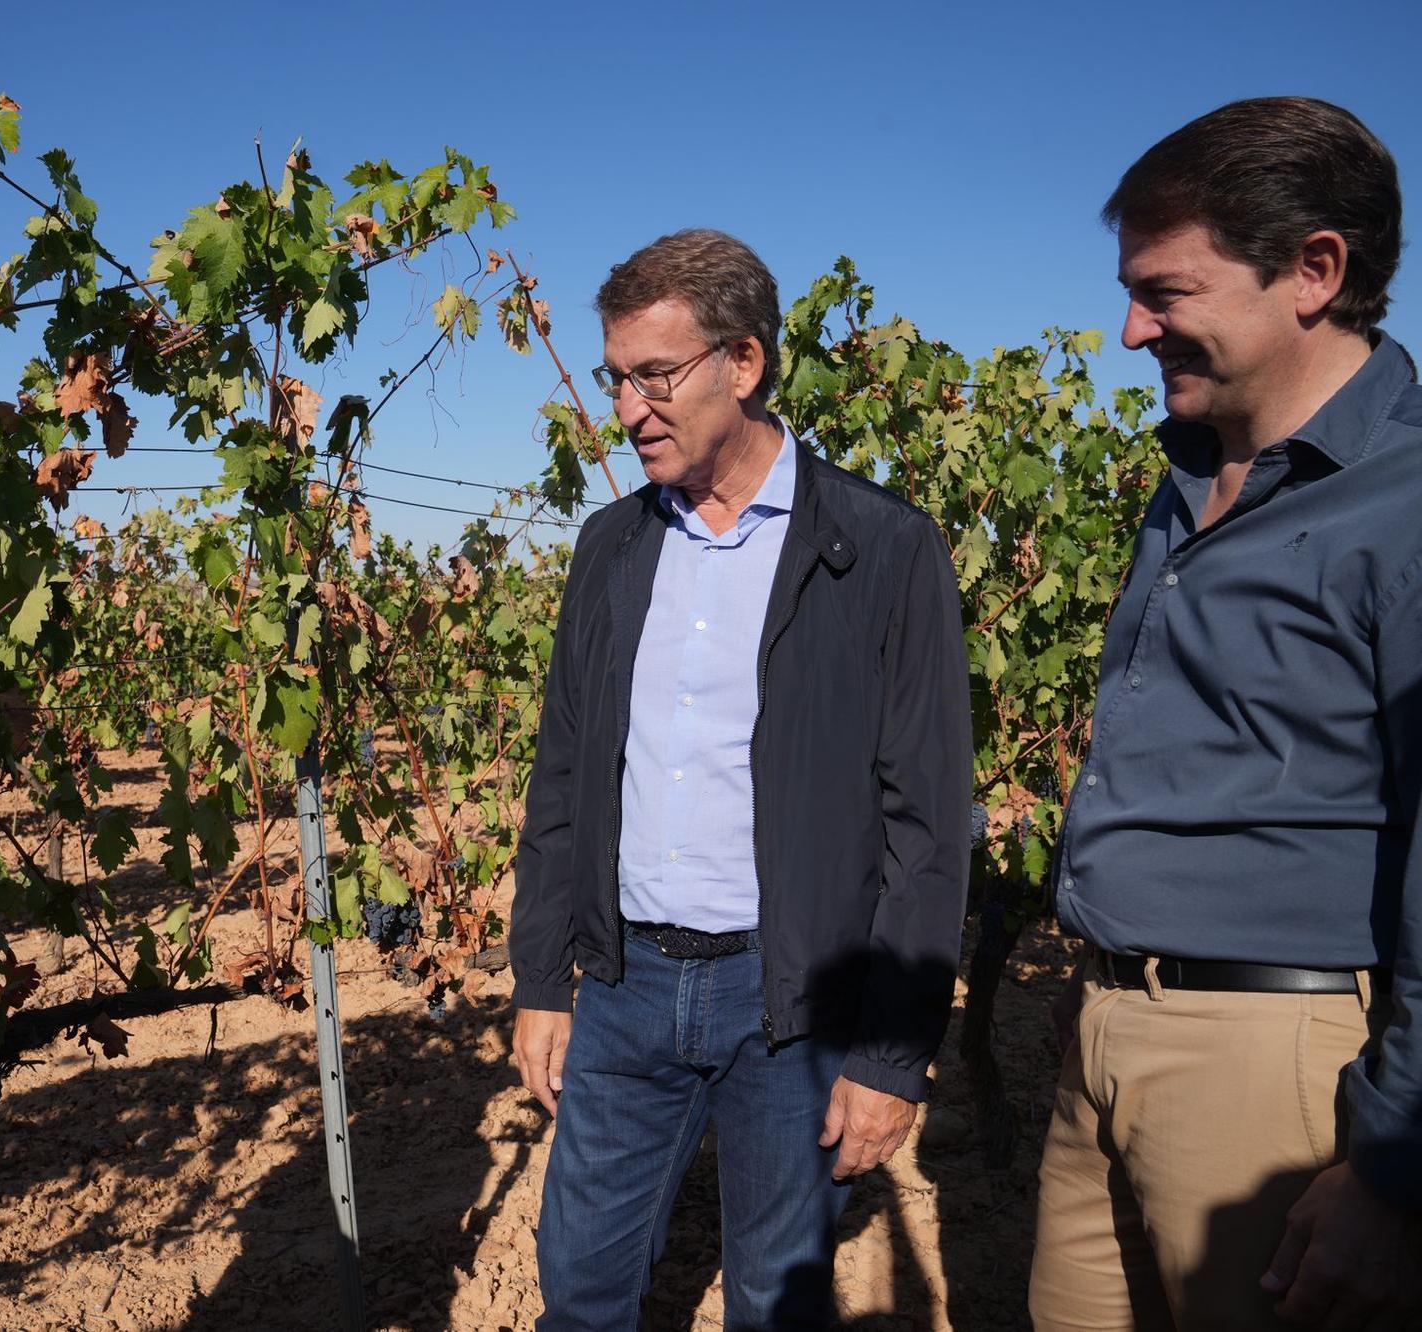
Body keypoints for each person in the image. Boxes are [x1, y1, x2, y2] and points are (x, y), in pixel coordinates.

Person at [507, 228, 972, 1329]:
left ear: (744, 364)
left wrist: (891, 1056)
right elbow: (563, 772)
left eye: (654, 376)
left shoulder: (880, 547)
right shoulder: (609, 548)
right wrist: (539, 979)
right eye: (617, 379)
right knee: (577, 1287)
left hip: (792, 1000)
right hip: (621, 989)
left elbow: (926, 825)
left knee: (773, 1300)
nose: (627, 410)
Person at [1031, 97, 1422, 1331]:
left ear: (1313, 271)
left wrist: (1395, 1167)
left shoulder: (1406, 505)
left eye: (1165, 290)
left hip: (1273, 1065)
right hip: (1097, 1026)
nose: (1131, 327)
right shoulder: (1189, 474)